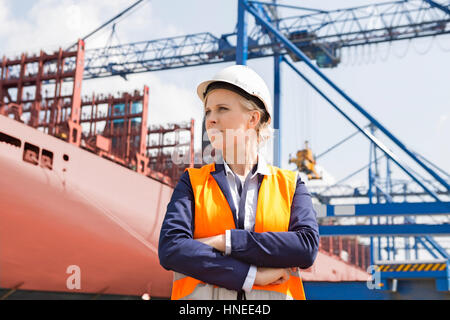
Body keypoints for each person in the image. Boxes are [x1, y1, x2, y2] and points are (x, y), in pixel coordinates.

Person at [158, 65, 319, 300]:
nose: (211, 119)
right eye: (208, 111)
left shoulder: (292, 185)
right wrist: (252, 276)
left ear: (253, 118)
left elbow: (305, 248)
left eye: (222, 109)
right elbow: (171, 250)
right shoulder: (192, 182)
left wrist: (227, 241)